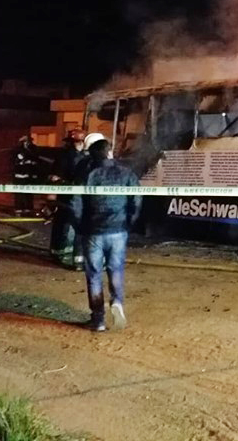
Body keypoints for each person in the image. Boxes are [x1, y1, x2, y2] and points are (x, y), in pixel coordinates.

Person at [71, 138, 142, 332]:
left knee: (94, 275)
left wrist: (79, 226)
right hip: (118, 230)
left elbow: (75, 202)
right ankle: (117, 302)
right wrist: (129, 222)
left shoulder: (86, 175)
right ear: (109, 153)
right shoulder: (126, 173)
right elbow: (136, 201)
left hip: (93, 231)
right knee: (116, 269)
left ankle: (98, 320)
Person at [48, 128, 87, 268]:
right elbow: (54, 177)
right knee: (67, 225)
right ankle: (63, 254)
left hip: (71, 196)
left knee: (63, 223)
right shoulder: (67, 156)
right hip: (70, 197)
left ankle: (58, 252)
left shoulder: (78, 156)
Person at [12, 135, 40, 216]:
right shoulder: (17, 149)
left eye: (27, 141)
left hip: (29, 174)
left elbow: (36, 160)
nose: (25, 143)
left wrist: (34, 172)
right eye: (23, 141)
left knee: (29, 193)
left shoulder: (34, 149)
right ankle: (18, 209)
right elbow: (14, 159)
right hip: (19, 174)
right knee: (18, 193)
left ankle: (28, 209)